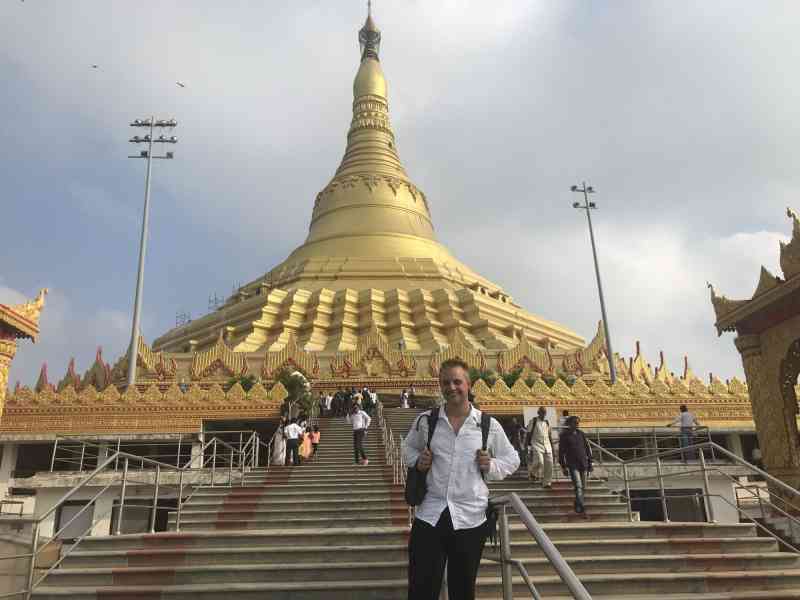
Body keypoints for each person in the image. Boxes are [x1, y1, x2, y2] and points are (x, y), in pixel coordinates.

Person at [404, 358, 519, 600]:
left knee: (463, 589)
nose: (451, 387)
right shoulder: (427, 420)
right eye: (446, 382)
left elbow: (512, 458)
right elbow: (407, 449)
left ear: (468, 385)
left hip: (470, 517)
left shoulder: (487, 424)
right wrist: (418, 461)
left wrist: (491, 465)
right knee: (421, 588)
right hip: (431, 513)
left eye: (457, 381)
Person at [558, 415, 592, 515]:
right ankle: (581, 507)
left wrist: (590, 462)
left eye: (578, 423)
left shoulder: (581, 434)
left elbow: (587, 448)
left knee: (583, 487)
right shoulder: (564, 436)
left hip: (583, 463)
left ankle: (577, 502)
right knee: (578, 486)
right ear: (570, 424)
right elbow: (561, 453)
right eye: (575, 423)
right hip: (573, 465)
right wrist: (563, 466)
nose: (577, 425)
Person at [526, 407, 553, 488]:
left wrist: (553, 448)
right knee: (540, 461)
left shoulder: (547, 422)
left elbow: (549, 436)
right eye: (542, 412)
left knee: (549, 464)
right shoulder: (533, 421)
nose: (543, 414)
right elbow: (528, 434)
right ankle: (533, 473)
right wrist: (527, 445)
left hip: (547, 445)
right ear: (538, 413)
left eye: (545, 412)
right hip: (536, 444)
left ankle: (547, 483)